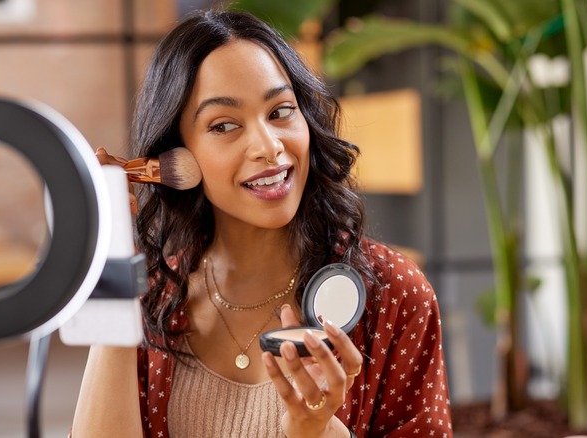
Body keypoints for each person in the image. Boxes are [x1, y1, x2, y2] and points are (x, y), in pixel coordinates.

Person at [71, 9, 451, 438]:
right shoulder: (152, 300)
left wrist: (316, 430)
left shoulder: (395, 294)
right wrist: (116, 269)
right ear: (176, 155)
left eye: (281, 111)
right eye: (225, 125)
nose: (268, 146)